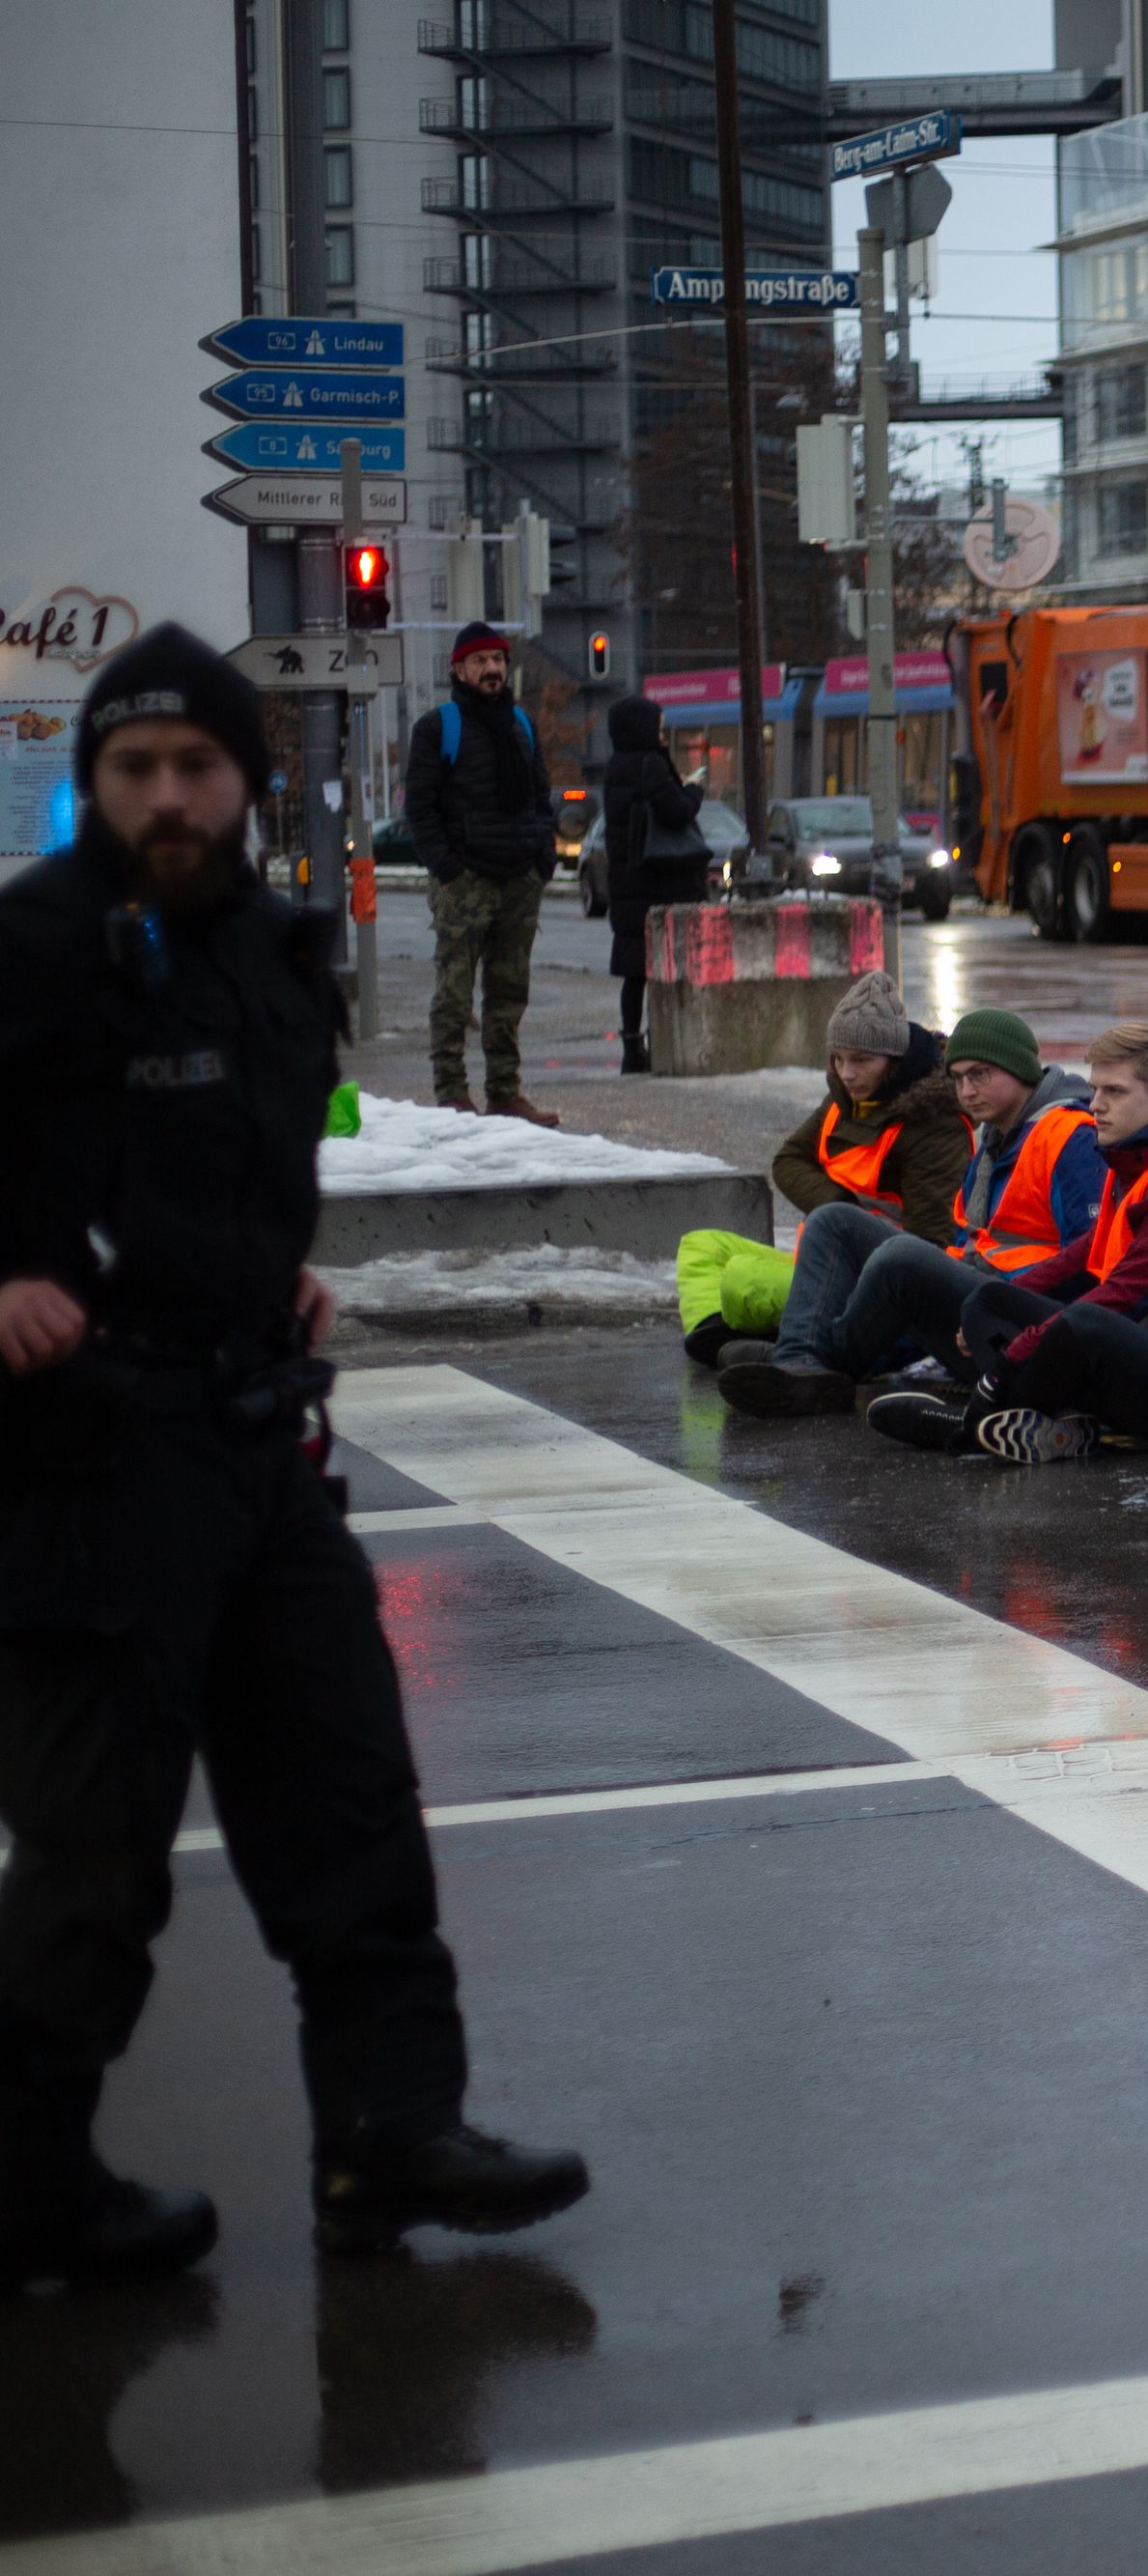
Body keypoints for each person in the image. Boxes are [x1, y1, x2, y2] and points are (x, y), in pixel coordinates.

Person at [0, 628, 587, 2290]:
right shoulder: (28, 948)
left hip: (261, 1439)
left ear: (246, 779)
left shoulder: (270, 942)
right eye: (137, 770)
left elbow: (232, 1161)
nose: (171, 796)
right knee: (93, 1862)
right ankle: (25, 2179)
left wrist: (278, 1268)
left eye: (199, 765)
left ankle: (392, 2135)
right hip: (83, 1468)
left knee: (351, 1811)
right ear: (96, 785)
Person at [869, 1022, 1148, 1464]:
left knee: (1087, 1323)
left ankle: (974, 1421)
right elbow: (1086, 1254)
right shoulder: (1138, 1155)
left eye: (1113, 1092)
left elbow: (1123, 1299)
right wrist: (1012, 1301)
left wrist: (1006, 1368)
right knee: (988, 1302)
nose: (1095, 1105)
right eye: (1096, 1089)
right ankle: (1052, 1423)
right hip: (1146, 1360)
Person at [718, 1007, 1104, 1417]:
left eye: (980, 1074)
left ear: (1021, 1070)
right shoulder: (996, 1139)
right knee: (832, 1221)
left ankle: (809, 1361)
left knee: (902, 1256)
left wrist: (990, 1295)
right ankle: (800, 1361)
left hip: (1018, 1323)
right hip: (981, 1306)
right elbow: (966, 1248)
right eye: (957, 1078)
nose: (966, 1090)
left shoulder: (1068, 1136)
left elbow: (1089, 1268)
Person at [679, 972, 976, 1371]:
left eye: (860, 1060)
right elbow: (788, 1161)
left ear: (893, 1060)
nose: (846, 1073)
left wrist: (843, 1222)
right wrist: (836, 1207)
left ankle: (784, 1344)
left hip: (866, 1280)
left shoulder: (932, 1123)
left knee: (743, 1279)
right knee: (700, 1246)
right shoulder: (843, 1100)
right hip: (817, 1257)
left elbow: (928, 1248)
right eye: (838, 1058)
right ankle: (720, 1333)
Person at [406, 620, 564, 1124]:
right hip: (466, 879)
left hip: (519, 877)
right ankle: (451, 1094)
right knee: (454, 991)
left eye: (498, 660)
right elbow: (421, 808)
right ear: (459, 669)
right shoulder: (438, 727)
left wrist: (543, 858)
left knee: (509, 991)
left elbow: (541, 797)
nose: (493, 669)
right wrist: (447, 868)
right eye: (481, 661)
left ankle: (504, 1093)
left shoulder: (521, 724)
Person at [597, 694, 710, 1076]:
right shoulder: (651, 764)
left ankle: (632, 1048)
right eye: (658, 726)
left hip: (628, 881)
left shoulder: (615, 767)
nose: (662, 734)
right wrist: (694, 789)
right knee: (670, 966)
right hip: (663, 882)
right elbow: (675, 812)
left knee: (634, 971)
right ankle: (668, 1042)